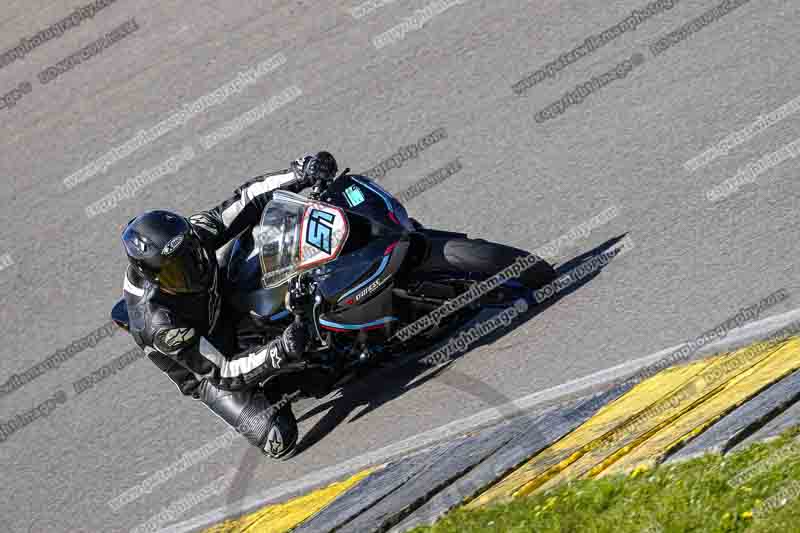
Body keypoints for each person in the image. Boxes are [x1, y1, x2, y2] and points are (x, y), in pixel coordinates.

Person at [118, 152, 339, 459]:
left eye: (190, 257)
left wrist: (299, 173)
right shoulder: (159, 323)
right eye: (174, 272)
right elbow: (223, 372)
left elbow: (246, 201)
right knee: (279, 440)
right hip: (210, 368)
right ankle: (277, 385)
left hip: (224, 304)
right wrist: (280, 352)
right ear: (151, 276)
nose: (190, 270)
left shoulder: (191, 234)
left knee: (276, 238)